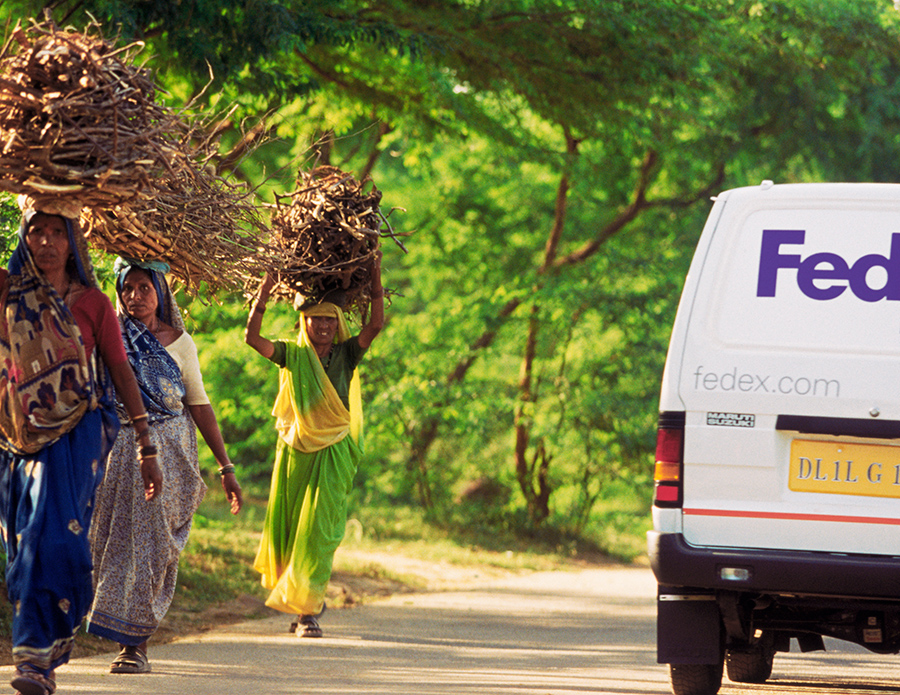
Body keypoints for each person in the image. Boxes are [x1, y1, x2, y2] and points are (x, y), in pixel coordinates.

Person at [0, 200, 163, 695]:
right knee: (28, 539)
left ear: (74, 240)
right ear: (24, 237)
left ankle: (38, 654)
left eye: (56, 231)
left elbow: (119, 368)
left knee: (64, 542)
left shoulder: (92, 302)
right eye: (36, 231)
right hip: (17, 437)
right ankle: (34, 662)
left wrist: (146, 445)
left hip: (78, 434)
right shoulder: (6, 292)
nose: (46, 241)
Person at [86, 257, 243, 674]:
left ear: (161, 291)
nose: (135, 297)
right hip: (118, 450)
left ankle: (135, 643)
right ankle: (122, 635)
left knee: (153, 544)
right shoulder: (109, 337)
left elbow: (198, 402)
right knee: (111, 540)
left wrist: (226, 467)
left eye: (144, 288)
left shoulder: (180, 342)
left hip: (170, 452)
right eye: (127, 289)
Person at [245, 250, 383, 637]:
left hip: (335, 449)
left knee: (320, 530)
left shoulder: (347, 354)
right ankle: (301, 607)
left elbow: (375, 325)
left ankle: (310, 612)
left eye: (328, 319)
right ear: (303, 321)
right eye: (314, 319)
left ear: (337, 322)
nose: (322, 326)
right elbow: (252, 338)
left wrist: (375, 275)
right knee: (293, 527)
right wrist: (266, 288)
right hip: (296, 449)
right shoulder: (292, 354)